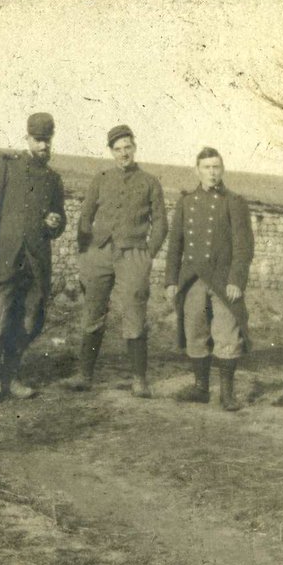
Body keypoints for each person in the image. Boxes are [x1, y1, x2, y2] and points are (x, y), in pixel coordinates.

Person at [0, 112, 67, 410]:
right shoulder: (6, 167)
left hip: (35, 264)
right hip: (4, 261)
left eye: (47, 141)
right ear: (27, 138)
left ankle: (10, 377)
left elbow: (58, 219)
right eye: (38, 140)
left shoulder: (53, 179)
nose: (43, 147)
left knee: (27, 322)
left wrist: (55, 222)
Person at [65, 124, 168, 397]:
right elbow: (85, 217)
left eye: (127, 148)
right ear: (111, 152)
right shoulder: (100, 179)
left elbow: (160, 223)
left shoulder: (150, 182)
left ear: (134, 147)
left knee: (134, 310)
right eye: (118, 149)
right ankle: (84, 374)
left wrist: (149, 254)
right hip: (99, 253)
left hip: (134, 253)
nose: (123, 154)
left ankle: (138, 379)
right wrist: (84, 253)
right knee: (93, 310)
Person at [164, 147, 254, 412]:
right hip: (192, 278)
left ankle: (227, 394)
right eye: (206, 167)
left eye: (216, 167)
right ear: (197, 170)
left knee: (227, 333)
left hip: (223, 279)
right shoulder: (186, 202)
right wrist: (171, 280)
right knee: (195, 332)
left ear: (222, 169)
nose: (212, 172)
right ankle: (201, 388)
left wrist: (236, 280)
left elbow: (243, 246)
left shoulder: (234, 202)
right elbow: (174, 245)